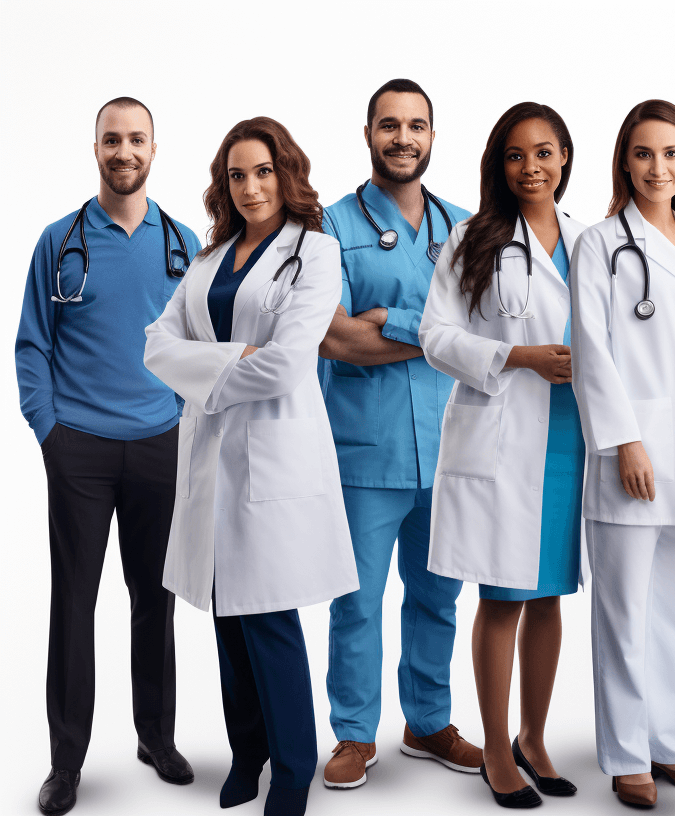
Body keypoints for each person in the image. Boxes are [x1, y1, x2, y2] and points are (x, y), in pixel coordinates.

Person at [143, 117, 359, 816]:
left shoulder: (316, 253)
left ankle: (293, 769)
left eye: (263, 171)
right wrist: (231, 359)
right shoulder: (208, 263)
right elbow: (154, 346)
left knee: (267, 619)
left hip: (274, 459)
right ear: (223, 185)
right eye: (237, 175)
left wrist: (205, 369)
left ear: (286, 173)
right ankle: (249, 753)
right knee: (225, 619)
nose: (250, 186)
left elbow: (289, 365)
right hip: (210, 464)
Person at [16, 96, 200, 816]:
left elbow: (199, 347)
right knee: (75, 604)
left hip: (161, 443)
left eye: (137, 140)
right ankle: (67, 763)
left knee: (156, 601)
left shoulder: (184, 244)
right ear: (96, 147)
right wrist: (50, 433)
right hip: (81, 452)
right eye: (112, 139)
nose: (124, 152)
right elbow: (33, 345)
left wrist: (183, 421)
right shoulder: (59, 241)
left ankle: (156, 737)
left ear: (155, 148)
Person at [569, 99, 675, 809]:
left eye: (671, 153)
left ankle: (667, 742)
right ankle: (625, 756)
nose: (658, 167)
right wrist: (624, 441)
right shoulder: (602, 244)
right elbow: (591, 350)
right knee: (622, 617)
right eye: (644, 154)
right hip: (631, 464)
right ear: (624, 163)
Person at [418, 101, 585, 809]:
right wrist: (514, 355)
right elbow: (434, 336)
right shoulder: (472, 239)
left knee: (549, 593)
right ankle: (494, 749)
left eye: (544, 153)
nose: (531, 168)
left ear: (566, 159)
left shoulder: (593, 241)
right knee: (501, 596)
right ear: (499, 164)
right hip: (504, 433)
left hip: (572, 435)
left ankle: (534, 737)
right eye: (516, 155)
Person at [316, 79, 480, 789]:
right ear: (368, 134)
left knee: (438, 595)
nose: (403, 138)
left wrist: (398, 324)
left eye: (416, 126)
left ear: (434, 137)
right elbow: (336, 339)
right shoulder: (329, 228)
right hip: (365, 451)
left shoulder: (471, 229)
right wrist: (440, 336)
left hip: (451, 450)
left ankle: (428, 720)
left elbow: (488, 333)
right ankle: (354, 733)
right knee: (356, 600)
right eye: (390, 125)